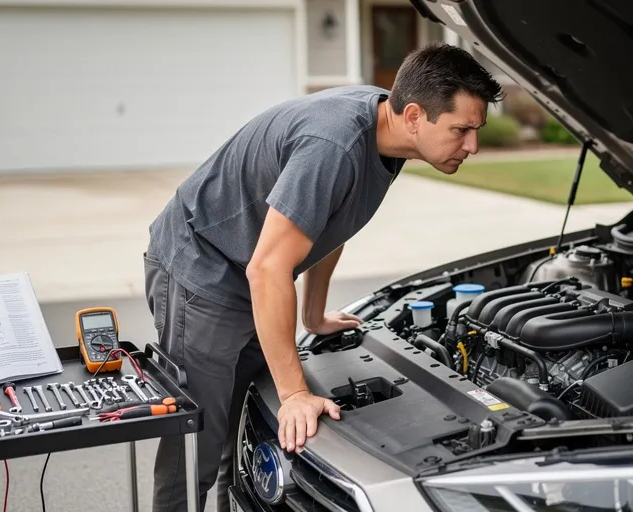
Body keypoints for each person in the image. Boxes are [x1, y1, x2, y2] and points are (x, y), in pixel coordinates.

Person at [142, 41, 503, 512]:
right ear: (414, 115)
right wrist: (295, 394)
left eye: (476, 131)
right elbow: (269, 267)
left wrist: (312, 315)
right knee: (199, 445)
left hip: (250, 271)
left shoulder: (387, 134)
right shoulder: (333, 145)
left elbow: (330, 222)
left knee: (240, 432)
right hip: (201, 268)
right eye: (462, 130)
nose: (472, 145)